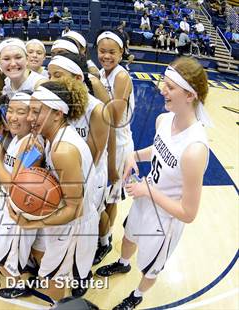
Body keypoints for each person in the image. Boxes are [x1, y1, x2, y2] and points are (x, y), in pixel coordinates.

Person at [96, 57, 210, 310]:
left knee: (150, 266)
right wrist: (133, 155)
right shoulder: (164, 120)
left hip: (165, 219)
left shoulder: (195, 150)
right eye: (163, 83)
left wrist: (148, 190)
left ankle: (137, 295)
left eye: (170, 87)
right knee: (128, 237)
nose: (161, 89)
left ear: (190, 95)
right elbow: (157, 149)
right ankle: (123, 263)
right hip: (145, 197)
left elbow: (188, 214)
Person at [10, 79, 98, 300]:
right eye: (29, 111)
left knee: (52, 283)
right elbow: (18, 178)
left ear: (57, 114)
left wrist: (32, 223)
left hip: (74, 226)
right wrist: (27, 150)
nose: (29, 118)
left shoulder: (63, 150)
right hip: (63, 221)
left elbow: (74, 209)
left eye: (36, 112)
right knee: (56, 279)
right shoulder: (47, 139)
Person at [48, 54, 110, 297]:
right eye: (50, 74)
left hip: (88, 178)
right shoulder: (57, 104)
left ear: (77, 78)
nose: (51, 80)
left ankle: (81, 274)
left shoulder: (96, 109)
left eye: (57, 75)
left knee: (83, 230)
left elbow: (94, 156)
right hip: (62, 176)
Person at [0, 92, 44, 299]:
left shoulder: (33, 146)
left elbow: (13, 186)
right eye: (11, 111)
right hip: (12, 209)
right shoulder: (19, 138)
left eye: (21, 112)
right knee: (13, 254)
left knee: (2, 259)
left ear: (32, 116)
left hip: (19, 212)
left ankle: (18, 288)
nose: (13, 117)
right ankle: (25, 271)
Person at [95, 31, 135, 264]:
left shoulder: (121, 77)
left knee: (111, 197)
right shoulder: (100, 73)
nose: (106, 56)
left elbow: (115, 115)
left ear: (122, 52)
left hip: (118, 144)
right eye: (102, 51)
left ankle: (106, 240)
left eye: (112, 52)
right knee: (102, 194)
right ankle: (102, 234)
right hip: (105, 140)